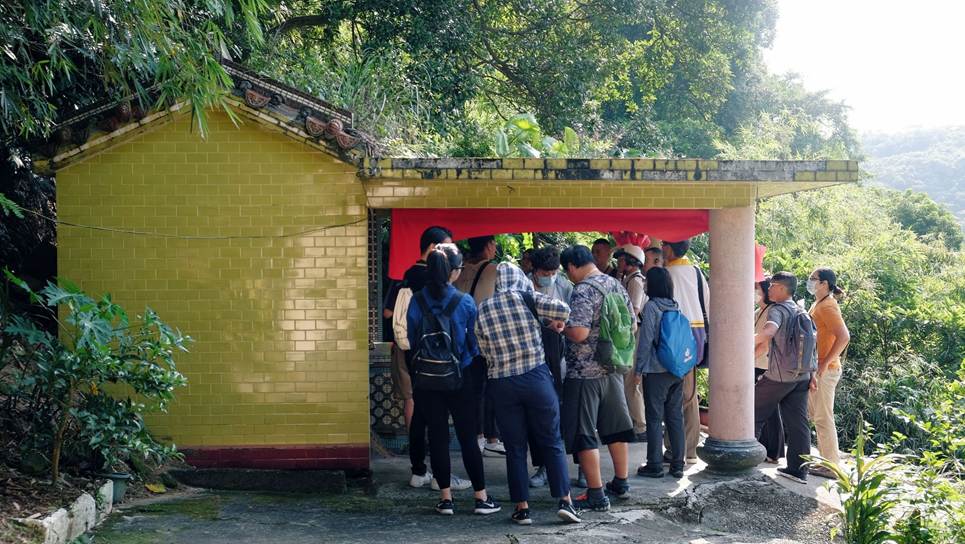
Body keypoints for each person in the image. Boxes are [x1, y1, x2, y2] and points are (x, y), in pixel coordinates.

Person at [475, 263, 582, 525]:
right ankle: (565, 502)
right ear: (519, 280)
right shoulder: (526, 297)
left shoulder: (483, 308)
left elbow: (482, 348)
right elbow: (564, 310)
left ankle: (522, 509)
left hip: (501, 384)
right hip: (535, 379)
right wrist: (546, 318)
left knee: (514, 448)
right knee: (552, 441)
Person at [406, 244, 501, 516]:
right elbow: (472, 343)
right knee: (468, 437)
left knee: (437, 437)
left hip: (426, 378)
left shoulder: (416, 301)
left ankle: (445, 499)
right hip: (461, 377)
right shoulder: (465, 302)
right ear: (453, 272)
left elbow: (412, 339)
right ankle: (481, 498)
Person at [383, 226, 471, 491]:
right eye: (448, 248)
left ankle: (419, 469)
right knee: (436, 419)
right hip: (435, 357)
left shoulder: (407, 274)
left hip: (408, 352)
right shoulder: (433, 282)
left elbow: (388, 313)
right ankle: (440, 478)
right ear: (434, 248)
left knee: (417, 409)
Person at [560, 245, 636, 511]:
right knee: (615, 429)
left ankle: (596, 494)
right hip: (613, 369)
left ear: (571, 266)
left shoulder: (583, 290)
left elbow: (579, 333)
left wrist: (560, 327)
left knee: (583, 433)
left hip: (584, 372)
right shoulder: (616, 285)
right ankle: (621, 483)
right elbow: (632, 324)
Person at [753, 271, 816, 484]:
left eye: (771, 285)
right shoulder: (801, 310)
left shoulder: (778, 310)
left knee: (750, 411)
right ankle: (798, 471)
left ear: (781, 288)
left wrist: (743, 339)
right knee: (798, 423)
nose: (768, 289)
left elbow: (769, 332)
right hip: (802, 375)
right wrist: (812, 374)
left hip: (779, 376)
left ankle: (744, 461)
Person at [453, 235, 505, 457]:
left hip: (463, 336)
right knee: (491, 386)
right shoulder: (495, 270)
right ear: (489, 246)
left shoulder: (459, 270)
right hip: (488, 336)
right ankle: (492, 438)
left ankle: (477, 436)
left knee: (472, 388)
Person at [633, 267, 686, 479]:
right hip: (676, 369)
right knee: (675, 417)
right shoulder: (675, 306)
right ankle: (678, 464)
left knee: (654, 418)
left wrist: (638, 369)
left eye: (647, 281)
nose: (644, 284)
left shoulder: (652, 307)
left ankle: (654, 465)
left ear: (652, 285)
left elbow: (645, 341)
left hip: (656, 371)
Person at [527, 246, 572, 488]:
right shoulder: (523, 285)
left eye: (554, 272)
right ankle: (542, 465)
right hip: (530, 354)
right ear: (535, 270)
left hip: (558, 353)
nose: (550, 277)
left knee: (560, 410)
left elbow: (573, 317)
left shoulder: (564, 286)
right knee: (536, 412)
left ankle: (568, 464)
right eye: (546, 273)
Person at [661, 239, 709, 464]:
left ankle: (675, 449)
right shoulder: (697, 273)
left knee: (671, 396)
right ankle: (689, 449)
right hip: (696, 336)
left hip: (672, 335)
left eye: (664, 244)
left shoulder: (666, 274)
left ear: (669, 248)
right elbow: (707, 304)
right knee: (689, 396)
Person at [807, 267, 850, 478]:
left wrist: (823, 365)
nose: (809, 281)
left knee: (823, 417)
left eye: (813, 278)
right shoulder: (819, 303)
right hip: (819, 369)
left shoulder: (827, 305)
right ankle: (826, 462)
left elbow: (844, 337)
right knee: (817, 416)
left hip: (826, 370)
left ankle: (831, 466)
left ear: (824, 283)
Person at [616, 244, 647, 441]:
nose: (618, 262)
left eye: (621, 259)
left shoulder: (635, 281)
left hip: (634, 333)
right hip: (631, 333)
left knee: (631, 381)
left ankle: (640, 426)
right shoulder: (628, 279)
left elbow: (633, 312)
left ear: (630, 261)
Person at [754, 277, 785, 464]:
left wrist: (747, 359)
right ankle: (766, 448)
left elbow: (765, 343)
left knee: (770, 410)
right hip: (756, 363)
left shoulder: (772, 312)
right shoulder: (759, 311)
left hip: (764, 365)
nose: (754, 291)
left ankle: (774, 451)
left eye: (756, 288)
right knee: (763, 408)